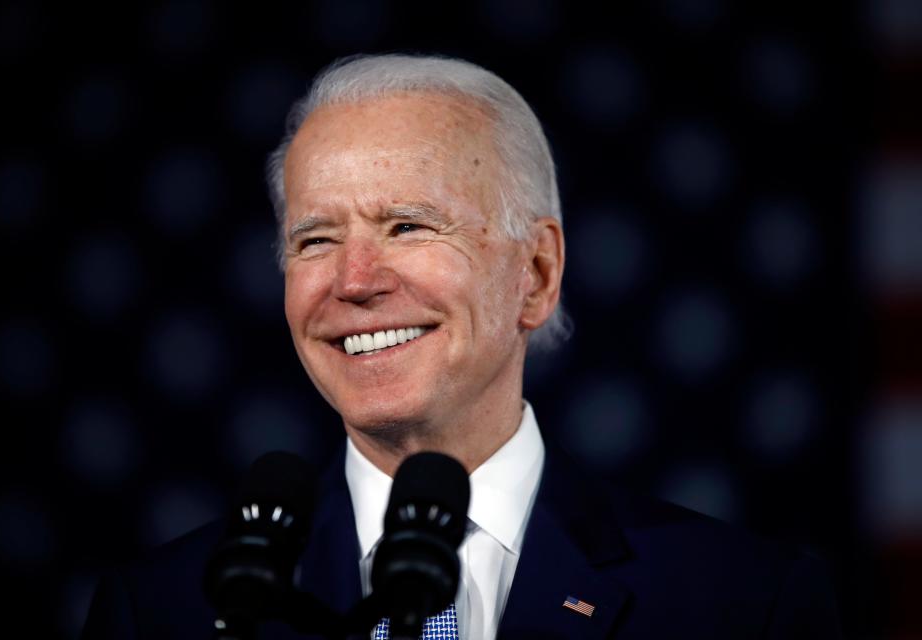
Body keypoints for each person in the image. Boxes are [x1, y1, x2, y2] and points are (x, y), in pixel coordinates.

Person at [82, 54, 841, 639]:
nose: (354, 281)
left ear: (536, 275)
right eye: (315, 239)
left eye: (408, 226)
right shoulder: (166, 609)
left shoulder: (743, 604)